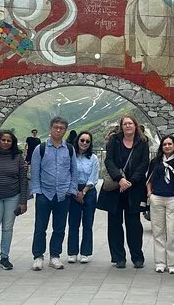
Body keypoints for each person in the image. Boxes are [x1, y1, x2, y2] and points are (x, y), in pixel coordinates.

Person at [97, 115, 149, 268]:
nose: (128, 126)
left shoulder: (142, 142)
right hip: (116, 187)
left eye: (130, 123)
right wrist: (120, 179)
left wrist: (130, 181)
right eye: (125, 124)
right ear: (121, 126)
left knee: (134, 225)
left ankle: (137, 257)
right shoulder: (114, 140)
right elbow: (109, 160)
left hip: (134, 188)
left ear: (135, 125)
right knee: (114, 224)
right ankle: (118, 257)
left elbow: (144, 163)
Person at [30, 117, 78, 271]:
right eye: (56, 127)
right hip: (45, 193)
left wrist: (71, 189)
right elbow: (35, 171)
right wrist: (37, 191)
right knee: (40, 227)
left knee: (59, 227)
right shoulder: (40, 148)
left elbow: (74, 171)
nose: (58, 130)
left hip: (63, 194)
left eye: (61, 128)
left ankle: (55, 256)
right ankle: (38, 256)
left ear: (65, 131)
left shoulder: (69, 149)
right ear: (50, 128)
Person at [0, 130, 28, 272]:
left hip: (12, 196)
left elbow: (23, 179)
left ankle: (4, 257)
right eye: (3, 140)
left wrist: (23, 201)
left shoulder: (18, 157)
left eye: (9, 141)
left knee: (7, 228)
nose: (6, 143)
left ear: (13, 143)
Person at [147, 135, 174, 274]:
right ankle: (160, 262)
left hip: (173, 199)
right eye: (165, 144)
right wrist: (149, 194)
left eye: (170, 144)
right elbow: (149, 178)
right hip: (157, 198)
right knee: (158, 231)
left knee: (173, 231)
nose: (167, 146)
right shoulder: (156, 161)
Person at [67, 131, 99, 264]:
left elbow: (93, 177)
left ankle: (85, 252)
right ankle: (72, 252)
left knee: (88, 223)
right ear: (77, 141)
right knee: (73, 223)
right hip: (73, 191)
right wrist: (75, 192)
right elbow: (68, 174)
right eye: (82, 140)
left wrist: (83, 192)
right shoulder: (71, 156)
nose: (84, 143)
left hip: (89, 191)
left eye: (87, 141)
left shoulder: (93, 158)